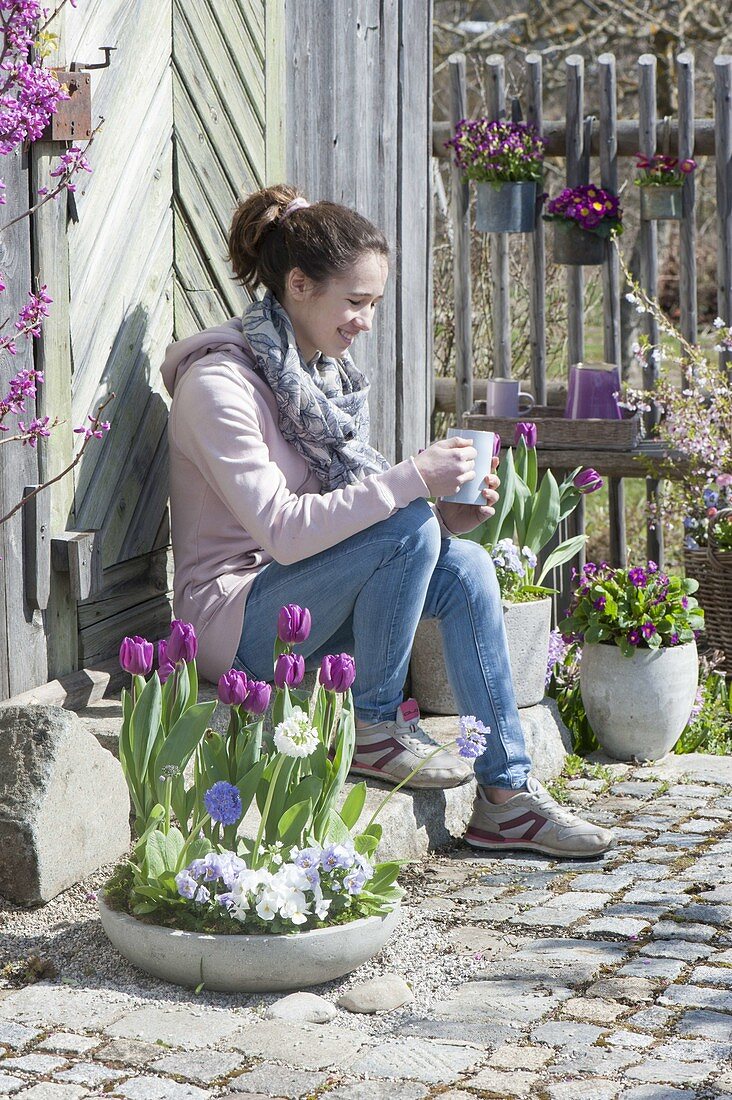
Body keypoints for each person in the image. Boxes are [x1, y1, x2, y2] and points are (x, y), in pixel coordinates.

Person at [161, 184, 613, 859]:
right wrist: (411, 485)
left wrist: (447, 515)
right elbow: (283, 530)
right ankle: (373, 727)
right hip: (234, 619)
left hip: (304, 592)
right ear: (299, 284)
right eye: (355, 302)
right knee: (407, 521)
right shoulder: (217, 388)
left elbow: (360, 532)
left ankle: (506, 798)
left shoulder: (313, 378)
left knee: (464, 567)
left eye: (373, 304)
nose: (365, 322)